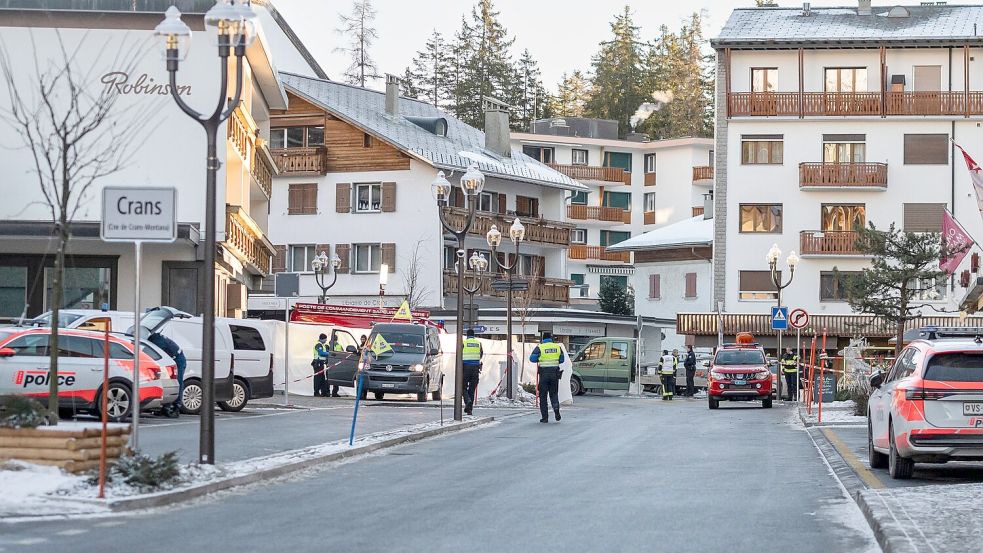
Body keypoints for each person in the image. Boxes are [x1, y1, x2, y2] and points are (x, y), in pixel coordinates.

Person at [148, 330, 186, 418]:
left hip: (178, 360)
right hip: (175, 358)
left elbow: (156, 355)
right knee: (169, 383)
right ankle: (166, 407)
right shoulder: (156, 338)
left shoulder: (156, 341)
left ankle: (176, 407)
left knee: (176, 383)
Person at [529, 331, 565, 423]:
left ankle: (545, 417)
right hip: (554, 374)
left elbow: (532, 359)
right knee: (554, 394)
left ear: (543, 339)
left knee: (543, 395)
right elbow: (562, 360)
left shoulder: (540, 347)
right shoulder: (557, 347)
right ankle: (556, 410)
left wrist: (539, 358)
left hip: (544, 374)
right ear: (551, 339)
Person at [461, 329, 482, 415]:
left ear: (467, 335)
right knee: (472, 389)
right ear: (473, 335)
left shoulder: (464, 343)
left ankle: (468, 401)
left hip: (465, 367)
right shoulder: (478, 343)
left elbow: (460, 354)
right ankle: (469, 409)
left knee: (463, 387)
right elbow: (481, 354)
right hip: (475, 368)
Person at [312, 333, 330, 397]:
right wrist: (329, 353)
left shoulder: (322, 345)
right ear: (322, 339)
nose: (326, 340)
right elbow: (321, 353)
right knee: (317, 378)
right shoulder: (318, 345)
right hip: (318, 363)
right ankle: (316, 392)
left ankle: (323, 392)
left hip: (321, 363)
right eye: (325, 339)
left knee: (322, 378)